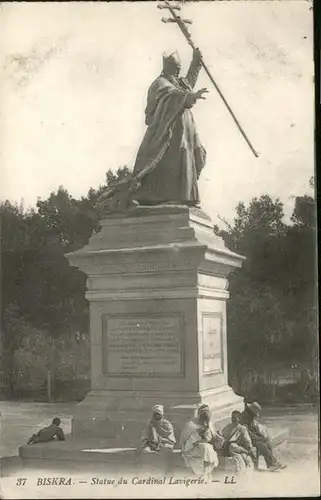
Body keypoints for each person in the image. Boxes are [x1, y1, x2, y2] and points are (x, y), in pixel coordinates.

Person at [99, 48, 208, 212]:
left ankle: (186, 198)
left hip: (186, 133)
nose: (178, 72)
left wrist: (196, 62)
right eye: (175, 69)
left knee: (187, 158)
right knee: (170, 162)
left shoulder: (178, 82)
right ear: (168, 68)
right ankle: (156, 198)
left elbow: (188, 82)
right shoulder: (160, 84)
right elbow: (171, 96)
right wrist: (189, 96)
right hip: (168, 134)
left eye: (179, 69)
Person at [180, 403, 222, 480]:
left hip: (206, 447)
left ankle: (206, 473)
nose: (204, 419)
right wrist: (197, 437)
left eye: (206, 417)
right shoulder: (191, 425)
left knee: (207, 448)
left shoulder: (209, 424)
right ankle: (205, 473)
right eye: (203, 417)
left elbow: (212, 437)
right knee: (206, 448)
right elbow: (185, 440)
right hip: (192, 448)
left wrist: (217, 437)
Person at [241, 402, 286, 472]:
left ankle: (271, 464)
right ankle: (273, 463)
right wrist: (259, 438)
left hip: (253, 437)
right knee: (262, 445)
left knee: (267, 442)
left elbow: (255, 429)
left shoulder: (250, 417)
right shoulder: (244, 418)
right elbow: (248, 433)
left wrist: (262, 437)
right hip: (246, 438)